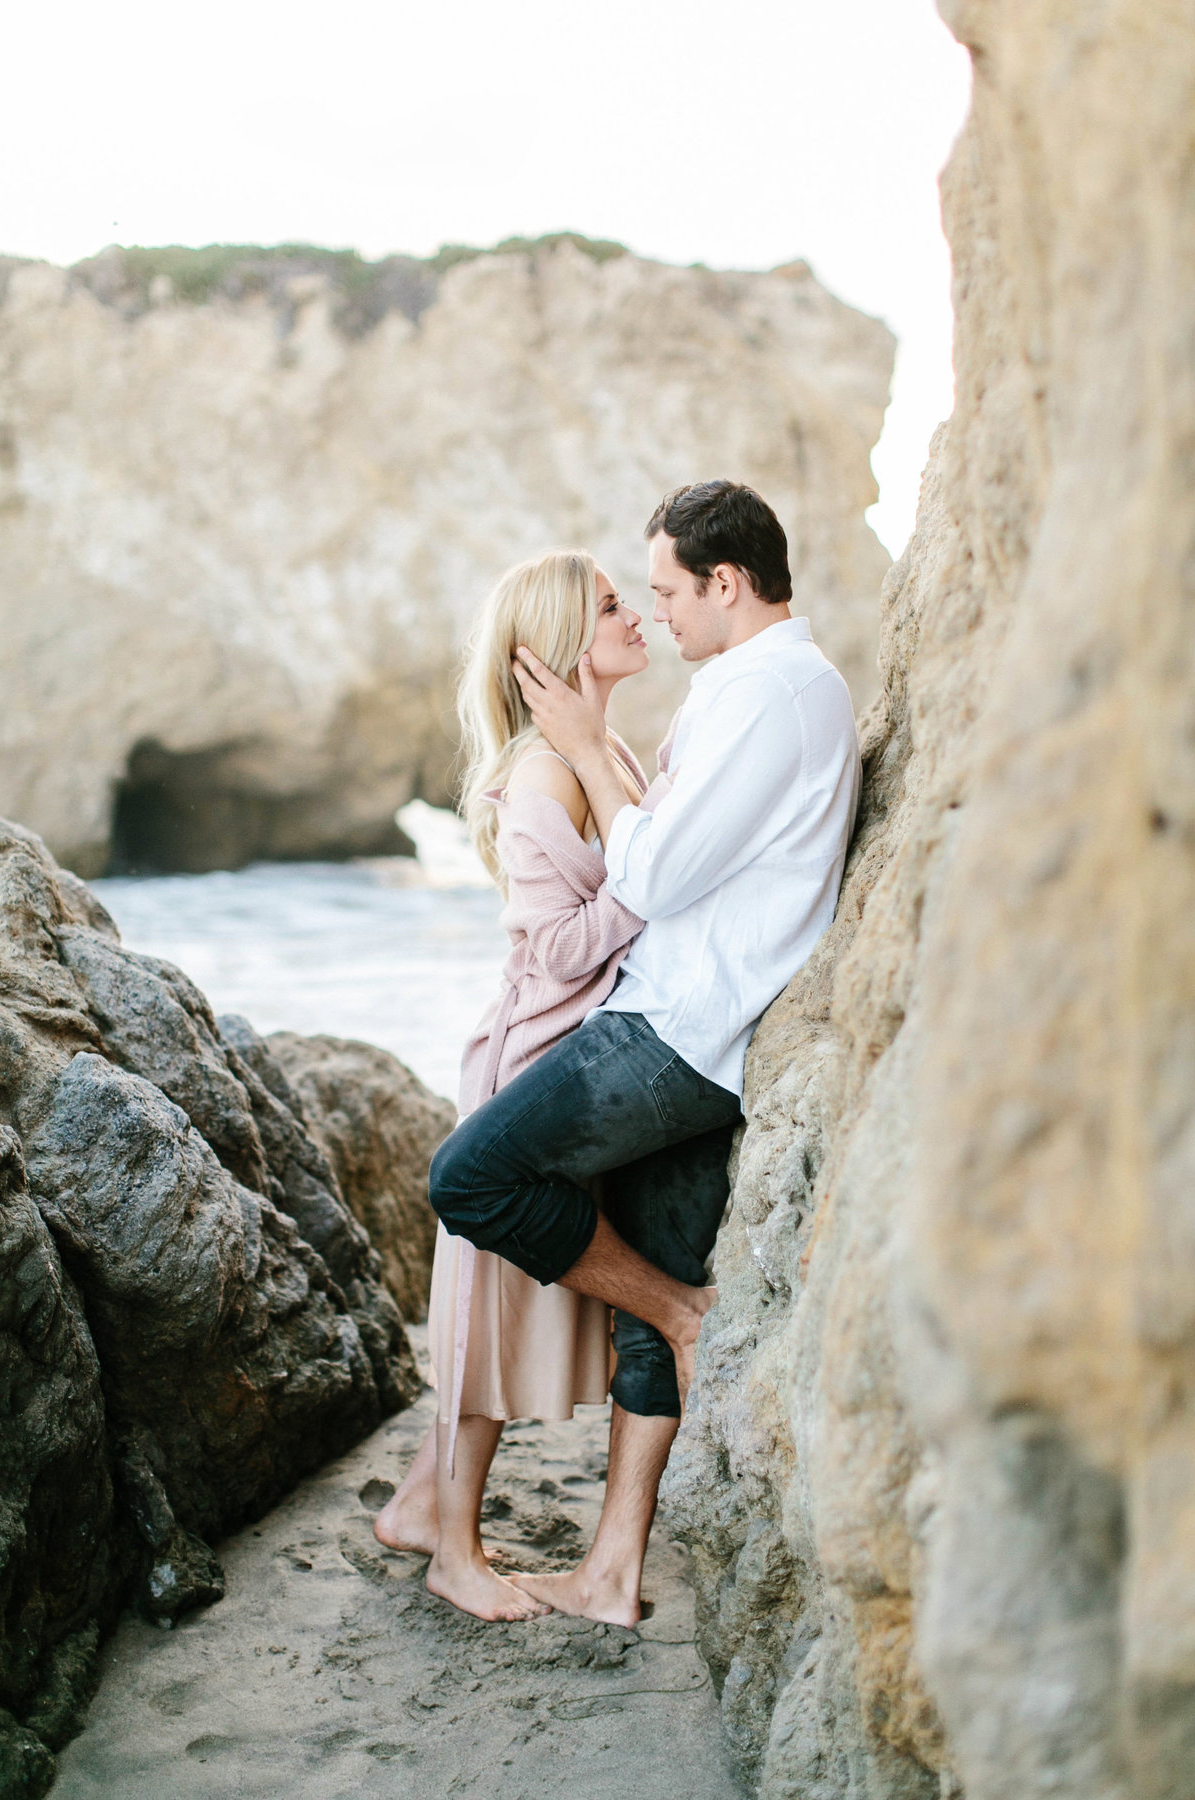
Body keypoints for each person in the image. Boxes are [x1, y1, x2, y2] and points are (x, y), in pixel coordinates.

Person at [430, 480, 862, 1625]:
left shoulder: (771, 694)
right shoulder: (749, 691)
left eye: (668, 591)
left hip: (673, 1030)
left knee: (469, 1178)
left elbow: (655, 876)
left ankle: (676, 1309)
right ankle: (611, 1570)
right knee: (642, 1303)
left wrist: (581, 737)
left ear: (726, 583)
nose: (660, 615)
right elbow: (657, 854)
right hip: (700, 1030)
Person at [374, 547, 654, 1622]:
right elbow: (558, 946)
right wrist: (651, 885)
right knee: (488, 1322)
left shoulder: (595, 746)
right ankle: (454, 1551)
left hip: (567, 1065)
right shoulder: (544, 771)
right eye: (612, 607)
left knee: (499, 1308)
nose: (635, 617)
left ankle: (412, 1505)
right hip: (530, 1074)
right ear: (555, 647)